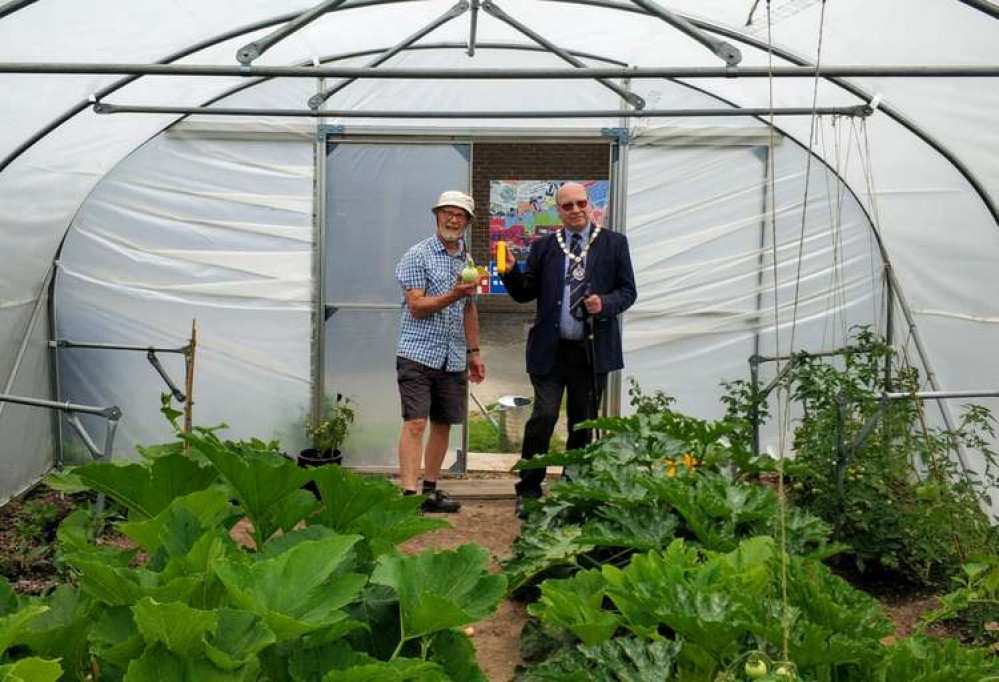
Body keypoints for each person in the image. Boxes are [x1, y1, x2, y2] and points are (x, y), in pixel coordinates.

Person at [500, 182, 637, 517]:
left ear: (590, 205)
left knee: (583, 423)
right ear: (557, 211)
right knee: (543, 416)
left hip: (591, 353)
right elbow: (525, 292)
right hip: (550, 350)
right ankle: (529, 488)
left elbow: (628, 292)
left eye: (580, 203)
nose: (575, 210)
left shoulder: (613, 243)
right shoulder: (545, 245)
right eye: (567, 206)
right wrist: (510, 272)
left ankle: (574, 488)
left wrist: (602, 303)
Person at [395, 190, 486, 513]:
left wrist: (474, 353)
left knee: (444, 423)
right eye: (447, 212)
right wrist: (453, 293)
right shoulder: (417, 255)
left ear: (468, 222)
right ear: (436, 216)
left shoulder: (467, 259)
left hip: (453, 355)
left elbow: (469, 309)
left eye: (459, 215)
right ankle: (409, 495)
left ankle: (430, 490)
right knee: (415, 423)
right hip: (418, 354)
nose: (453, 219)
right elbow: (417, 306)